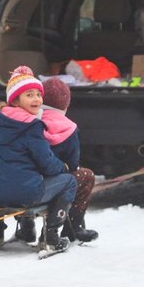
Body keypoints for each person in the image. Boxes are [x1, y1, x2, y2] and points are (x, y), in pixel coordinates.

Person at [0, 66, 78, 254]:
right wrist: (63, 168)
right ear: (15, 99)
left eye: (39, 94)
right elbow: (46, 162)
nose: (37, 99)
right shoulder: (32, 127)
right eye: (29, 95)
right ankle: (52, 237)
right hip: (27, 195)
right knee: (70, 182)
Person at [39, 77, 99, 243]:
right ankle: (75, 225)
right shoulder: (69, 127)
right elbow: (73, 163)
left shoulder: (31, 121)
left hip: (31, 179)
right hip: (55, 181)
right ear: (65, 105)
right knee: (85, 176)